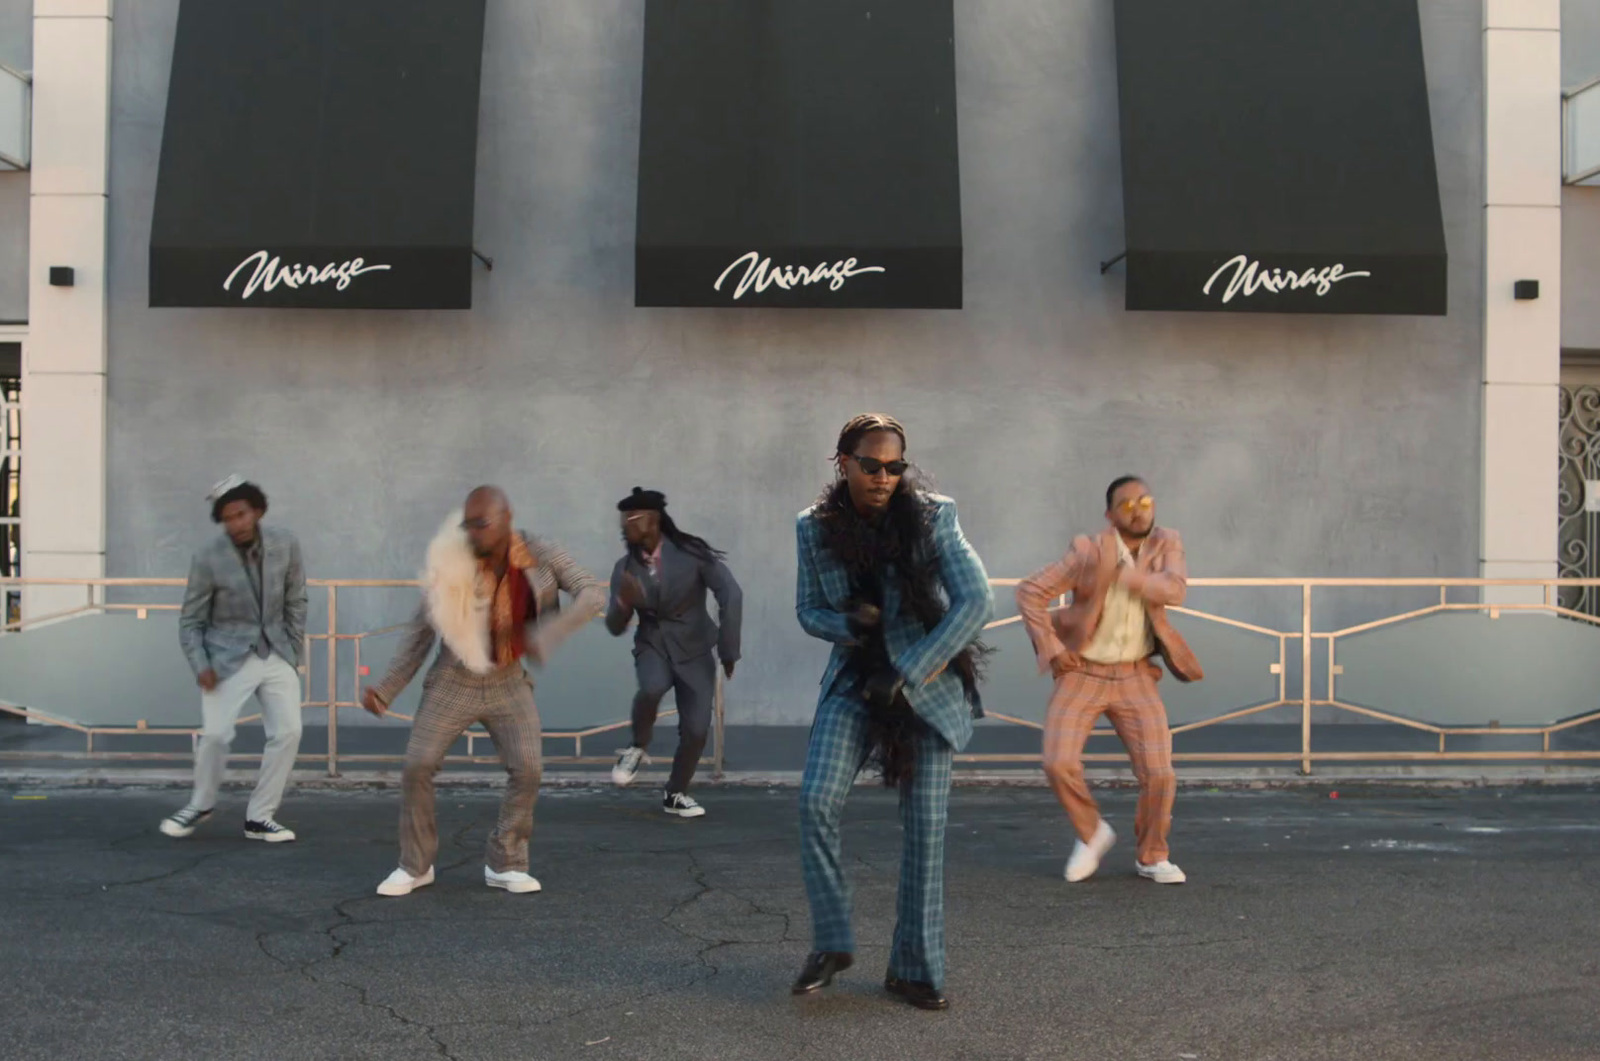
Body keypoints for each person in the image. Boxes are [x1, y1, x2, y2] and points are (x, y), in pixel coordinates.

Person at [790, 413, 993, 1011]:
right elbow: (807, 610)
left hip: (925, 685)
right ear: (843, 463)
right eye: (872, 466)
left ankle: (914, 970)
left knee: (925, 835)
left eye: (895, 467)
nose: (884, 477)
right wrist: (846, 622)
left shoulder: (933, 516)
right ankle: (832, 941)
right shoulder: (813, 527)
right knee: (814, 800)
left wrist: (912, 670)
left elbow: (977, 601)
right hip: (855, 678)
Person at [360, 486, 604, 897]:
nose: (473, 534)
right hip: (454, 679)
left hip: (508, 682)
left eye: (482, 524)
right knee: (417, 765)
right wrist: (385, 690)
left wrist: (550, 633)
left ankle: (506, 862)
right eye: (467, 525)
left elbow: (592, 593)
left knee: (528, 768)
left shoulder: (542, 553)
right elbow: (421, 632)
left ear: (507, 517)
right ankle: (416, 865)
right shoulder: (450, 563)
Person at [1014, 475, 1203, 887]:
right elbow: (1030, 591)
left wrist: (1132, 578)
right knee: (1057, 761)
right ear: (1111, 515)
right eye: (1127, 504)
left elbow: (1174, 589)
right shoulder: (1088, 550)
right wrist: (1051, 648)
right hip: (1082, 670)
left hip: (1135, 675)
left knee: (1160, 774)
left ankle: (1153, 855)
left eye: (1145, 500)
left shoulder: (1166, 541)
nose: (1139, 509)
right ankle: (1091, 833)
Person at [162, 476, 307, 843]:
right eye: (228, 518)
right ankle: (201, 803)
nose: (236, 523)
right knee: (214, 734)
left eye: (242, 514)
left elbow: (296, 599)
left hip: (275, 651)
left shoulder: (285, 543)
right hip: (225, 657)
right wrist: (201, 666)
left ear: (257, 511)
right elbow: (191, 620)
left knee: (288, 731)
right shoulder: (208, 557)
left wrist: (293, 650)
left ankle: (260, 817)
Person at [606, 487, 742, 817]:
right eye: (622, 519)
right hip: (654, 644)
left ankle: (675, 793)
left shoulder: (691, 553)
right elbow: (614, 625)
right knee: (651, 687)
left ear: (652, 520)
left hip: (695, 648)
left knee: (696, 730)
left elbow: (731, 594)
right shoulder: (625, 568)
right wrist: (624, 601)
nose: (624, 525)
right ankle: (636, 746)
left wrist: (728, 649)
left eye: (631, 518)